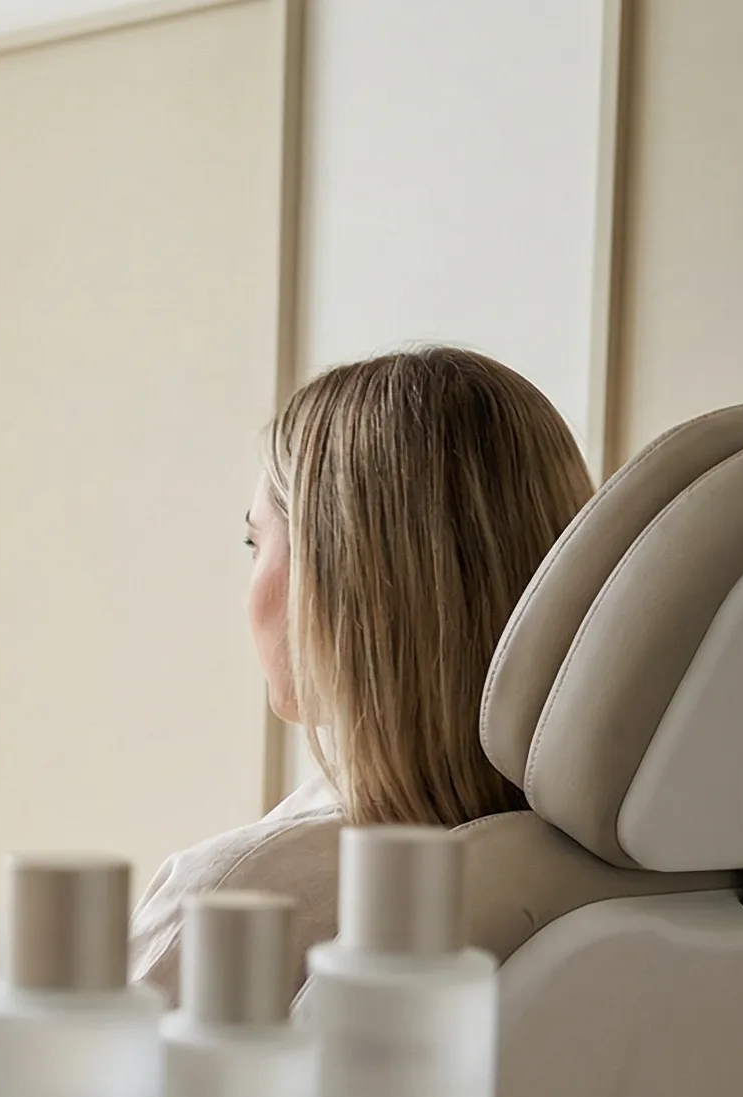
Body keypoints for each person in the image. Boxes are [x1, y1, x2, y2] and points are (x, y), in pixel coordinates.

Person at [130, 346, 595, 995]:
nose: (251, 587)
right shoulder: (640, 883)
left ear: (337, 581)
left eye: (255, 543)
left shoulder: (246, 896)